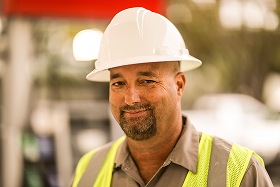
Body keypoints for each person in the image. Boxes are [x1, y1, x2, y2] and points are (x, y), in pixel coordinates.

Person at [71, 7, 274, 187]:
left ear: (179, 86)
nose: (131, 98)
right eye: (118, 83)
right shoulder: (88, 170)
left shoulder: (240, 173)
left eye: (147, 81)